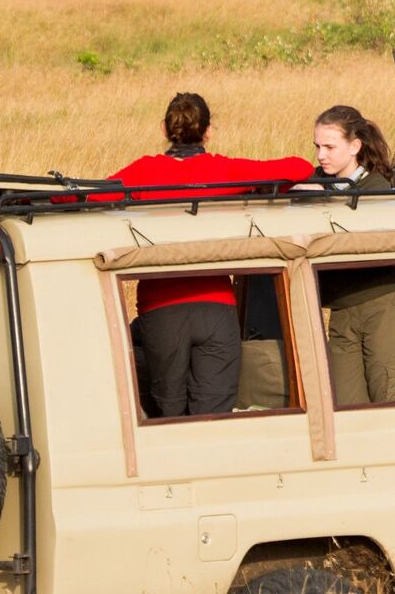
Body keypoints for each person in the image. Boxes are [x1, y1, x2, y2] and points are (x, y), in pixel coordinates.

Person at [112, 92, 316, 418]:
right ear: (208, 132)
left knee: (168, 411)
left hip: (160, 306)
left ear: (165, 129)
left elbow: (89, 194)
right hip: (216, 304)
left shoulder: (142, 172)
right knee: (215, 413)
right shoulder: (223, 170)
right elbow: (299, 167)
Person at [311, 105, 395, 406]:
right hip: (341, 313)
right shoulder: (317, 180)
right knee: (345, 409)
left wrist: (313, 194)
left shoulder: (375, 186)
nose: (321, 155)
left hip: (381, 307)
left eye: (330, 147)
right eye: (318, 147)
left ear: (355, 146)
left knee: (390, 402)